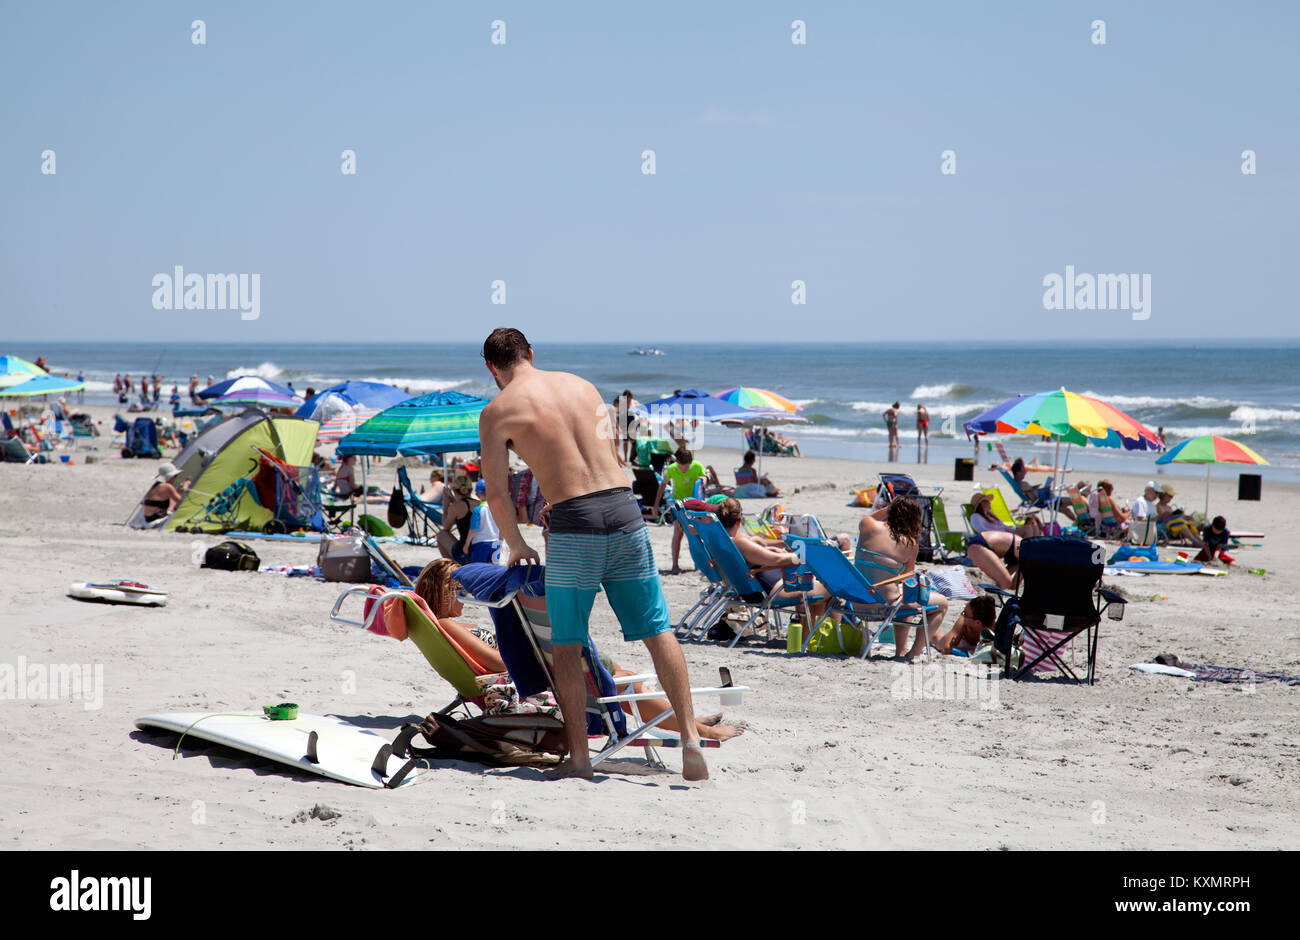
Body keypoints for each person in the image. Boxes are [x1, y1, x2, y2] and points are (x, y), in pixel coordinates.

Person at [476, 327, 708, 780]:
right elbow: (611, 459)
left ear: (492, 369)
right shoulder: (582, 386)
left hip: (573, 526)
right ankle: (691, 740)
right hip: (625, 513)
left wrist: (518, 543)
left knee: (567, 643)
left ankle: (580, 759)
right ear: (530, 354)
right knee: (658, 631)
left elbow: (499, 497)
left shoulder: (497, 411)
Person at [716, 497, 835, 625]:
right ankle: (822, 638)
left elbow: (759, 546)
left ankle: (811, 635)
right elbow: (776, 560)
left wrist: (778, 546)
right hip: (775, 591)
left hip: (758, 589)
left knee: (816, 587)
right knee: (834, 585)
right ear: (739, 520)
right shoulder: (739, 543)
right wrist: (807, 555)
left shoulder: (722, 541)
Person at [857, 498, 949, 661]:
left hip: (856, 603)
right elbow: (907, 577)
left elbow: (872, 516)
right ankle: (912, 653)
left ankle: (901, 649)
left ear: (890, 511)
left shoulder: (867, 525)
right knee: (941, 603)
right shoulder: (910, 543)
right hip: (883, 607)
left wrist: (891, 507)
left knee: (902, 596)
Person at [652, 447, 709, 573]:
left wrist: (704, 480)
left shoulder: (697, 465)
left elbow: (704, 477)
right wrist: (656, 505)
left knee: (695, 534)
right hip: (678, 505)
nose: (684, 469)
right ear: (677, 462)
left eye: (686, 466)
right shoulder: (671, 469)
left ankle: (698, 565)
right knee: (678, 534)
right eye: (681, 466)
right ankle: (675, 565)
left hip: (694, 505)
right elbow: (662, 486)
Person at [932, 596, 997, 655]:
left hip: (967, 647)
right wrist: (972, 650)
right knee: (935, 637)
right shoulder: (963, 623)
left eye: (965, 614)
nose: (962, 615)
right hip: (947, 641)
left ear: (977, 623)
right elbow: (946, 649)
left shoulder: (992, 625)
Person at [970, 490, 1042, 539]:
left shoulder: (990, 515)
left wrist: (1012, 530)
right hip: (998, 537)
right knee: (1028, 529)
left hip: (1005, 533)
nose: (989, 503)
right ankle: (1025, 554)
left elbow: (1003, 526)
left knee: (1034, 527)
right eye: (986, 501)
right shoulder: (975, 517)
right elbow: (983, 531)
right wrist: (1003, 532)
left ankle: (1034, 553)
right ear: (981, 504)